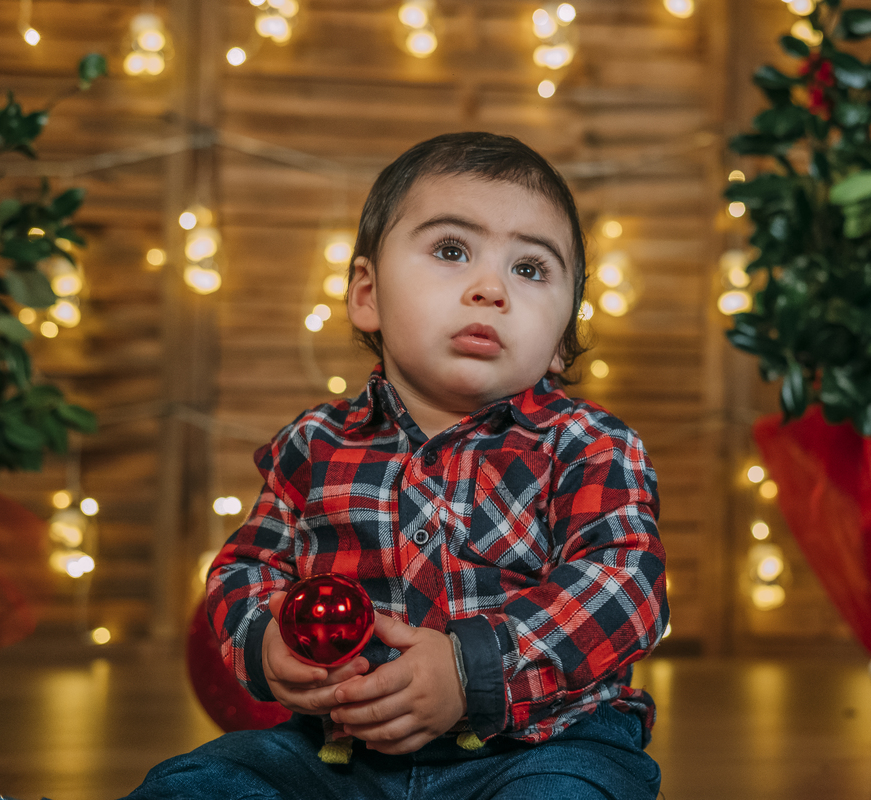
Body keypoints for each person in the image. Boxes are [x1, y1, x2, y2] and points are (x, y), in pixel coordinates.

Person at [124, 132, 668, 800]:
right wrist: (266, 640)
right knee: (206, 781)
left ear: (561, 339)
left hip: (540, 745)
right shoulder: (314, 442)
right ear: (367, 293)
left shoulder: (589, 445)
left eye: (530, 269)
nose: (490, 288)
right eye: (450, 250)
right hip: (340, 755)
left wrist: (475, 669)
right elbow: (246, 566)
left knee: (569, 792)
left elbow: (625, 586)